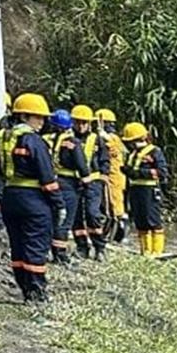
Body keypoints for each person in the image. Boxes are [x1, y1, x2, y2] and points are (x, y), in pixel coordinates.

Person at [0, 93, 60, 302]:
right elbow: (47, 176)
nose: (42, 122)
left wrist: (3, 172)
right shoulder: (33, 140)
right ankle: (37, 293)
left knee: (18, 244)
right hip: (34, 199)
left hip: (10, 195)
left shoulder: (2, 136)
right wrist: (58, 204)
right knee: (35, 244)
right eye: (38, 117)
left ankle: (25, 289)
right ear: (24, 116)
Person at [122, 122, 171, 257]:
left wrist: (141, 173)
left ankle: (157, 251)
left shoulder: (155, 152)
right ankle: (145, 250)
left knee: (152, 220)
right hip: (135, 189)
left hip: (149, 190)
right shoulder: (132, 154)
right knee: (140, 220)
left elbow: (162, 172)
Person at [69, 105, 109, 260]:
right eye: (78, 122)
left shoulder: (97, 140)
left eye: (84, 123)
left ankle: (100, 247)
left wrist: (102, 175)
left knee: (93, 214)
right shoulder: (68, 139)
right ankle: (82, 247)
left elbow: (104, 161)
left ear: (90, 123)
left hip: (93, 181)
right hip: (74, 181)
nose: (81, 126)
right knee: (76, 216)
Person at [48, 108, 84, 265]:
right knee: (66, 220)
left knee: (54, 217)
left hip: (52, 182)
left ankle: (52, 250)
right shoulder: (72, 143)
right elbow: (82, 165)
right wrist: (87, 182)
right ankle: (60, 255)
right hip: (69, 184)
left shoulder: (47, 139)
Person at [96, 108, 129, 244]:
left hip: (114, 178)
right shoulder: (114, 139)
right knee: (115, 206)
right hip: (117, 177)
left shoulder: (111, 138)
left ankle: (115, 236)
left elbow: (112, 147)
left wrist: (103, 136)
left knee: (115, 209)